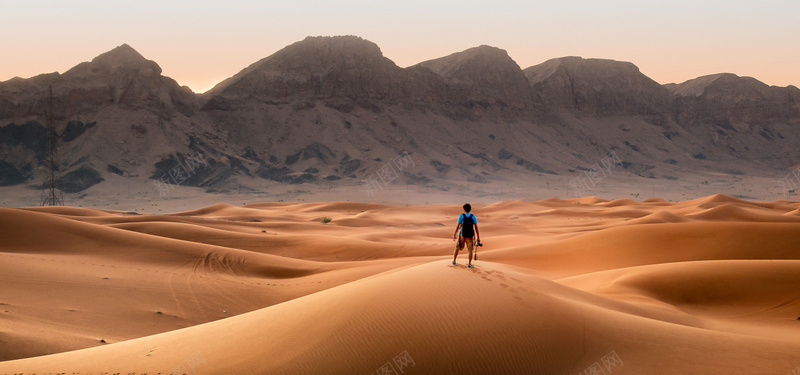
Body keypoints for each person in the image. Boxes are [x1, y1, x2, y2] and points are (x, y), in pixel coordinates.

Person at [452, 203, 480, 268]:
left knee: (457, 248)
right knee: (470, 250)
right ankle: (469, 264)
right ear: (470, 209)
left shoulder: (461, 216)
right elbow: (476, 227)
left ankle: (454, 261)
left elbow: (458, 225)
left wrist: (455, 234)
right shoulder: (473, 216)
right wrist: (478, 237)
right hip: (470, 236)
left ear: (464, 209)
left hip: (462, 235)